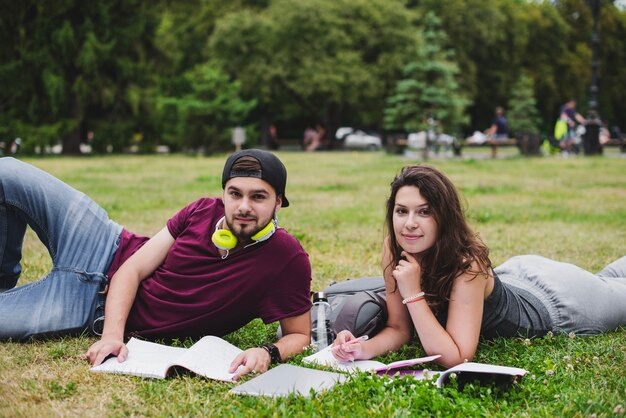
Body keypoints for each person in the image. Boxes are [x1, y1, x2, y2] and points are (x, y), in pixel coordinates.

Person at [0, 150, 312, 379]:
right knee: (7, 171)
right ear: (224, 194)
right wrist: (112, 336)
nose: (244, 207)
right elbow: (131, 270)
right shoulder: (202, 210)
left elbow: (299, 335)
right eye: (235, 194)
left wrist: (268, 352)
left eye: (258, 197)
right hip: (103, 243)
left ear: (279, 201)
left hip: (85, 307)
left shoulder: (287, 259)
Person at [332, 165, 626, 368]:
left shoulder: (465, 263)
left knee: (614, 285)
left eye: (424, 212)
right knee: (610, 276)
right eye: (401, 211)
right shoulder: (394, 247)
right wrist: (362, 348)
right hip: (518, 273)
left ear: (444, 216)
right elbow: (399, 328)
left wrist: (413, 293)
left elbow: (457, 356)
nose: (409, 224)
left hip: (561, 303)